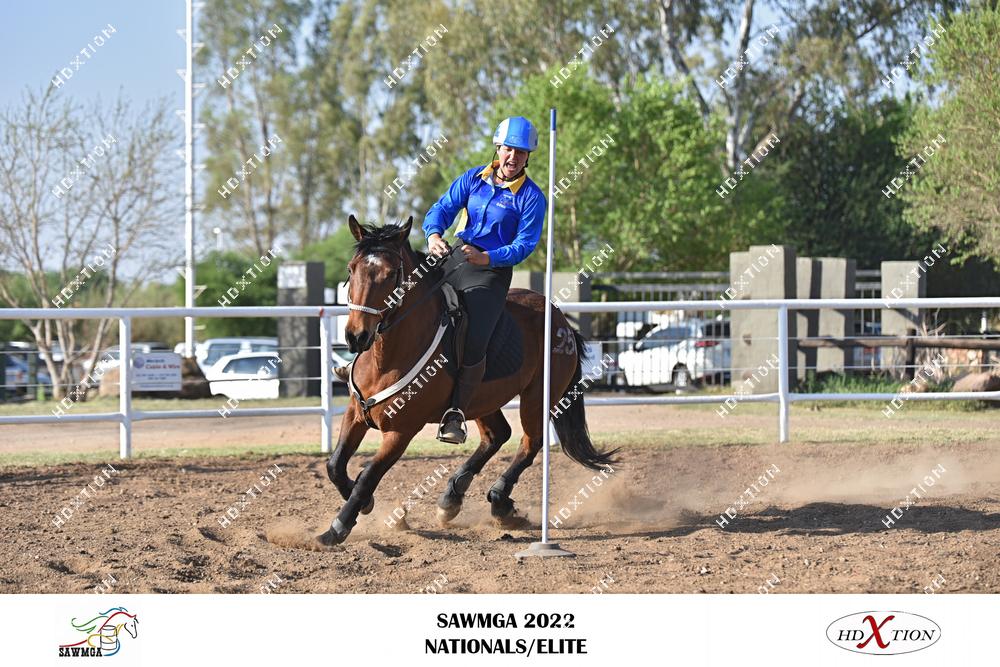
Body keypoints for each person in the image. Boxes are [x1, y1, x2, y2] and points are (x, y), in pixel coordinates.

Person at [423, 116, 547, 443]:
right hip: (454, 256)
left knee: (476, 335)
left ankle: (455, 414)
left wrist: (488, 257)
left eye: (521, 152)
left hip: (491, 272)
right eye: (508, 149)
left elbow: (525, 244)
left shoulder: (532, 197)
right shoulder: (472, 178)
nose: (513, 156)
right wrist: (434, 235)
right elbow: (442, 208)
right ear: (498, 148)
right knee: (407, 294)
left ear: (528, 157)